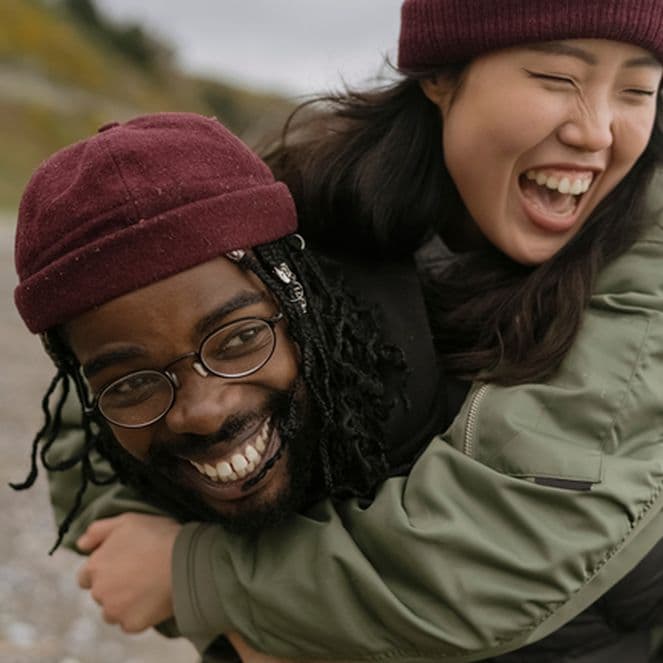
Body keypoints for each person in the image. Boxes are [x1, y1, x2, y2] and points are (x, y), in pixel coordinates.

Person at [14, 0, 663, 660]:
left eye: (638, 90)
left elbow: (506, 550)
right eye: (556, 79)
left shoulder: (649, 255)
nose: (596, 131)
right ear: (438, 76)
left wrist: (200, 579)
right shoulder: (311, 198)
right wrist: (141, 548)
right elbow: (103, 391)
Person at [12, 111, 465, 661]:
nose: (202, 412)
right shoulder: (105, 418)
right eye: (133, 383)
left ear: (299, 301)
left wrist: (195, 583)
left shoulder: (458, 371)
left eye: (239, 338)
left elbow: (479, 581)